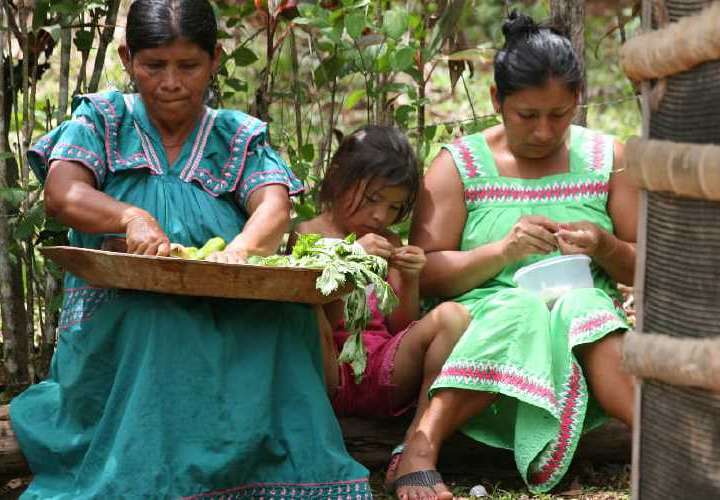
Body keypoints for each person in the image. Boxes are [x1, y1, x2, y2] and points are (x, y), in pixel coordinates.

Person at [9, 1, 371, 497]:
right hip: (122, 309)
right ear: (127, 57)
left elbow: (274, 204)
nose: (171, 82)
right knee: (161, 324)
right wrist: (130, 217)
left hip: (230, 300)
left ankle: (270, 482)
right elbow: (63, 193)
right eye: (153, 65)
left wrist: (241, 251)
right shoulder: (102, 120)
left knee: (284, 324)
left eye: (188, 66)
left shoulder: (236, 135)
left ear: (216, 59)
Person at [387, 11, 638, 499]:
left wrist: (604, 247)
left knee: (585, 308)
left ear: (577, 101)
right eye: (528, 116)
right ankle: (419, 449)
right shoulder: (459, 165)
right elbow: (427, 274)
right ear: (496, 100)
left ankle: (659, 442)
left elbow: (650, 267)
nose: (544, 131)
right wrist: (503, 251)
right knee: (519, 309)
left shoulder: (609, 158)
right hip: (486, 341)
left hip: (583, 348)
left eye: (560, 115)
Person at [293, 125, 470, 479]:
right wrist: (349, 258)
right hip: (329, 371)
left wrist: (410, 277)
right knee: (306, 311)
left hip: (383, 371)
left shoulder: (386, 239)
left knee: (453, 317)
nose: (380, 217)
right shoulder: (306, 233)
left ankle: (416, 438)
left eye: (393, 207)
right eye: (372, 199)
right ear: (338, 178)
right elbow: (310, 302)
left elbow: (399, 328)